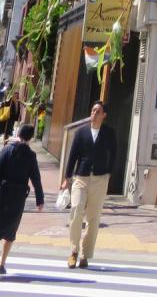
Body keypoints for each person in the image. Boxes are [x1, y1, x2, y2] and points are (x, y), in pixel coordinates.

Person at [0, 122, 44, 278]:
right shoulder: (31, 155)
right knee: (10, 230)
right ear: (30, 138)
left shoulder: (8, 150)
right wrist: (39, 199)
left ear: (18, 133)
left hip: (0, 194)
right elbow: (36, 178)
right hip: (18, 197)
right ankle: (2, 264)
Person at [62, 101, 117, 269]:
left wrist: (109, 172)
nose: (94, 112)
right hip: (81, 176)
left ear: (103, 115)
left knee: (93, 217)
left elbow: (114, 154)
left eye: (98, 110)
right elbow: (73, 155)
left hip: (100, 178)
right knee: (76, 210)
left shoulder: (109, 133)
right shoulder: (81, 133)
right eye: (93, 109)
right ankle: (73, 251)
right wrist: (67, 177)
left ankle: (85, 255)